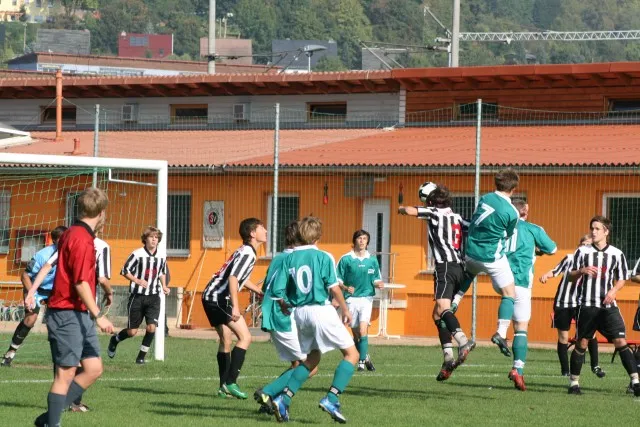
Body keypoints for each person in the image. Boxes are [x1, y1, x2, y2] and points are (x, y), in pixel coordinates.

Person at [27, 187, 114, 427]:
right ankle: (52, 423)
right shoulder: (81, 239)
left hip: (79, 313)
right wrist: (99, 315)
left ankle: (46, 419)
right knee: (64, 374)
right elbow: (80, 283)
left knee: (93, 368)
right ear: (102, 213)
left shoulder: (74, 234)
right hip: (66, 312)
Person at [270, 216, 358, 424]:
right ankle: (332, 399)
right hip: (320, 310)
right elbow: (334, 287)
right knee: (352, 354)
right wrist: (345, 309)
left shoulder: (289, 258)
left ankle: (283, 399)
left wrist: (284, 304)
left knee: (312, 359)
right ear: (318, 236)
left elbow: (278, 291)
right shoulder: (323, 256)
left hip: (300, 313)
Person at [398, 183, 474, 381]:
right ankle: (448, 357)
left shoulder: (433, 212)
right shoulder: (457, 217)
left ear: (430, 201)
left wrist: (401, 209)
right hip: (460, 267)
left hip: (445, 267)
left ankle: (462, 340)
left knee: (442, 307)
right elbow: (473, 229)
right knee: (437, 314)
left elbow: (411, 210)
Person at [567, 216, 639, 396]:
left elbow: (622, 278)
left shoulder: (616, 254)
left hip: (608, 306)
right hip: (587, 305)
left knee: (620, 341)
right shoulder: (582, 251)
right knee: (582, 343)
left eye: (597, 229)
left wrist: (613, 291)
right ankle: (574, 384)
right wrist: (581, 271)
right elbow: (570, 276)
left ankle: (636, 382)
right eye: (592, 228)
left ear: (606, 232)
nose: (593, 232)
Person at [254, 220, 318, 414]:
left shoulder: (279, 257)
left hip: (272, 313)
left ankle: (271, 403)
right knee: (310, 366)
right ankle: (268, 393)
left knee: (297, 364)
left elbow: (267, 287)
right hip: (283, 315)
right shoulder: (296, 259)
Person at [455, 168, 520, 357]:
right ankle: (501, 333)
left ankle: (454, 302)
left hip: (471, 252)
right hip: (492, 257)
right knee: (510, 293)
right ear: (513, 189)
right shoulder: (512, 212)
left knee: (470, 274)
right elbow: (507, 234)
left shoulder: (484, 198)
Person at [201, 218, 266, 399]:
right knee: (245, 337)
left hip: (211, 295)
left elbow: (240, 278)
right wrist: (235, 307)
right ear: (252, 233)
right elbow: (233, 278)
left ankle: (223, 388)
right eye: (262, 228)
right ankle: (231, 382)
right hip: (219, 298)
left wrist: (259, 291)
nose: (266, 231)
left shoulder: (245, 250)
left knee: (226, 339)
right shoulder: (248, 253)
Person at [504, 200, 557, 391]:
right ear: (525, 211)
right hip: (522, 283)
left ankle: (501, 333)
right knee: (521, 327)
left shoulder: (501, 228)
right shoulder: (533, 228)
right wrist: (537, 248)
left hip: (502, 280)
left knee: (512, 321)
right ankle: (518, 368)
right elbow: (552, 249)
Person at [539, 234, 605, 378]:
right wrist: (546, 275)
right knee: (563, 337)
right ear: (579, 246)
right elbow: (556, 270)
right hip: (563, 302)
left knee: (590, 333)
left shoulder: (595, 263)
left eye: (588, 245)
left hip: (582, 303)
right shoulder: (570, 258)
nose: (585, 248)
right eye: (583, 244)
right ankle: (565, 370)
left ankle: (595, 366)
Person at [1, 226, 67, 367]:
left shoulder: (70, 253)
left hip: (55, 291)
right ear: (55, 241)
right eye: (62, 239)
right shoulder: (43, 255)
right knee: (31, 319)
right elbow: (25, 276)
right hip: (35, 289)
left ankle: (64, 358)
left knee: (61, 320)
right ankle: (10, 353)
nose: (66, 242)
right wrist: (31, 294)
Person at [108, 226, 169, 365]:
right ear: (145, 239)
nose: (154, 239)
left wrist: (164, 286)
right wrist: (137, 280)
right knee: (132, 332)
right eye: (151, 237)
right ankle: (115, 340)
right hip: (137, 297)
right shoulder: (137, 254)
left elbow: (162, 272)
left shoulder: (162, 255)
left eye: (156, 237)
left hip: (154, 297)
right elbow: (124, 270)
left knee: (152, 327)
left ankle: (140, 358)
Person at [336, 229, 384, 372]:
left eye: (364, 238)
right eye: (359, 238)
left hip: (366, 298)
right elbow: (337, 280)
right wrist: (345, 288)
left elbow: (376, 279)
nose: (362, 241)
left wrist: (379, 284)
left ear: (367, 242)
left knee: (363, 330)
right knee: (356, 333)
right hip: (350, 300)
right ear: (354, 240)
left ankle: (361, 362)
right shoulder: (346, 259)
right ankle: (365, 356)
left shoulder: (372, 260)